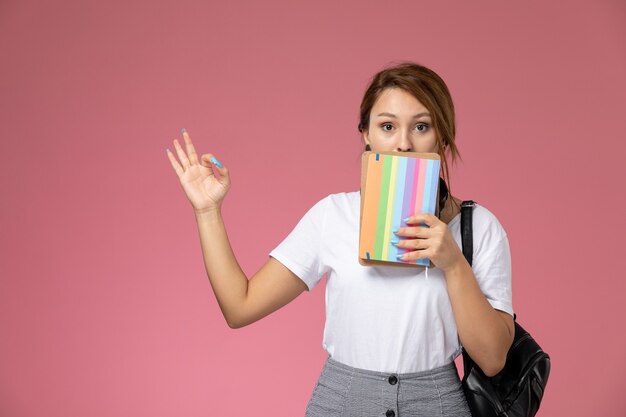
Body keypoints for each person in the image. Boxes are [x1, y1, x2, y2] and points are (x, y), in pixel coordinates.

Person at [166, 61, 515, 417]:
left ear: (441, 136)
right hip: (342, 402)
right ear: (366, 133)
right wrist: (207, 212)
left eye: (421, 126)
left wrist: (454, 263)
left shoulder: (479, 228)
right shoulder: (333, 216)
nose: (403, 144)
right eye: (387, 126)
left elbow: (492, 360)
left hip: (437, 404)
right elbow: (239, 307)